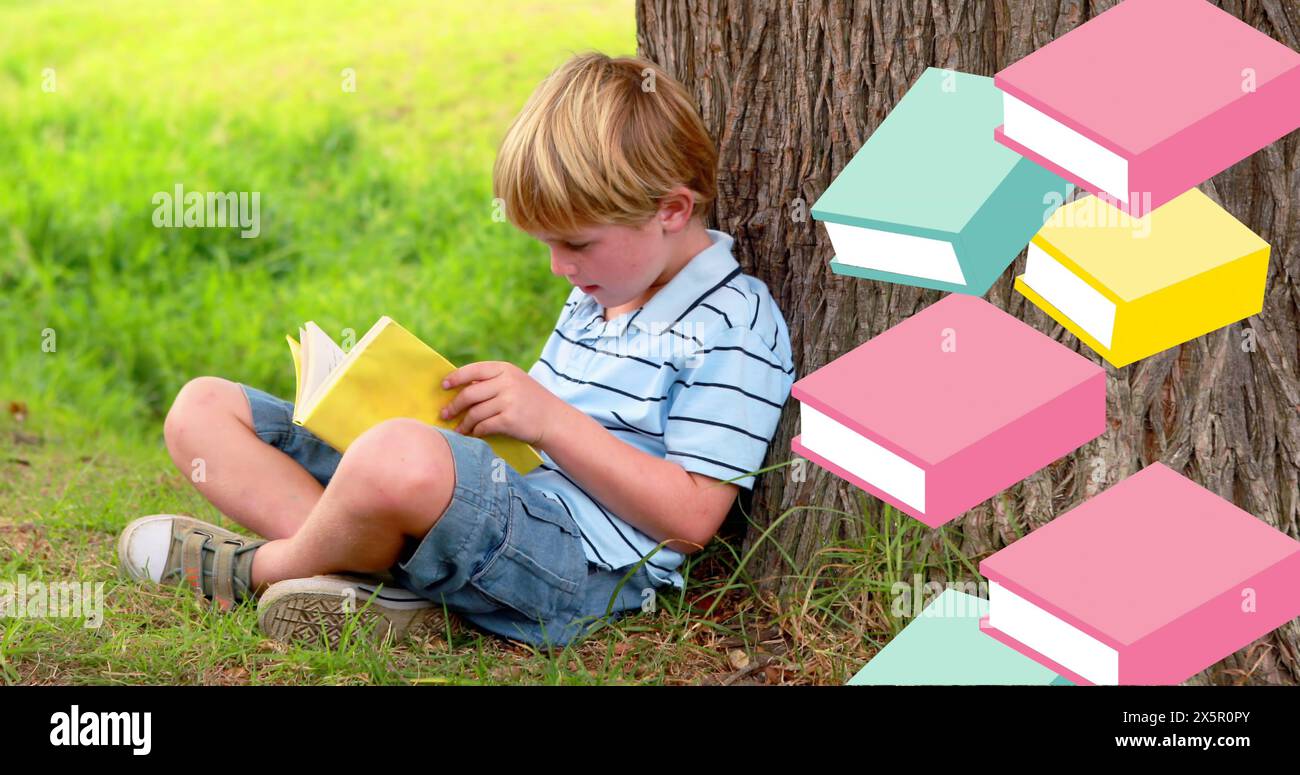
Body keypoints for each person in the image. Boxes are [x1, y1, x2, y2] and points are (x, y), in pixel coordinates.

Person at [117, 52, 795, 649]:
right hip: (504, 504)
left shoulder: (733, 323)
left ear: (671, 210)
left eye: (577, 244)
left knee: (396, 456)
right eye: (547, 244)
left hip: (574, 567)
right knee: (202, 408)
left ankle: (262, 568)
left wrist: (549, 420)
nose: (560, 267)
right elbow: (523, 454)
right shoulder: (605, 287)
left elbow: (691, 520)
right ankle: (367, 579)